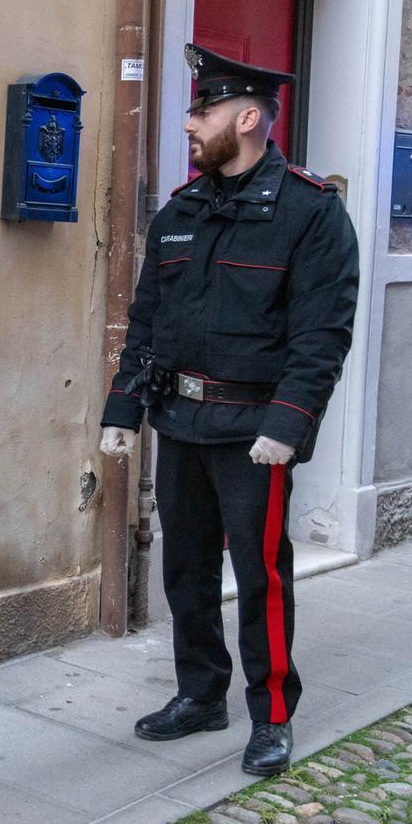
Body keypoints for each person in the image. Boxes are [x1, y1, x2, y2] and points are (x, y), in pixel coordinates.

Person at [98, 44, 358, 775]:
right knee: (183, 570)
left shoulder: (310, 214)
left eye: (203, 110)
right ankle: (200, 693)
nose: (188, 123)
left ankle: (271, 714)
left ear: (247, 118)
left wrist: (289, 425)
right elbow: (144, 322)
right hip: (179, 423)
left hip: (253, 434)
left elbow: (321, 334)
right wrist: (123, 408)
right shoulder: (182, 214)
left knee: (260, 574)